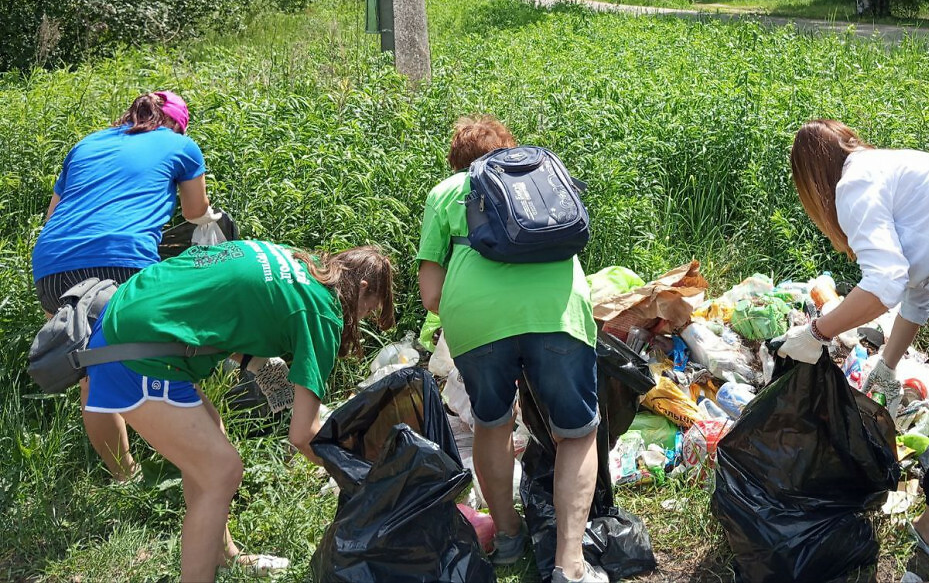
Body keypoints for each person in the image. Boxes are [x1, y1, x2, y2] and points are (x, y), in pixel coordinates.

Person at [84, 239, 395, 581]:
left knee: (210, 434)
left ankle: (223, 554)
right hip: (136, 352)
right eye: (368, 309)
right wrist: (363, 481)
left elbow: (222, 299)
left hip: (127, 314)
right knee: (222, 471)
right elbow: (303, 435)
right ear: (362, 287)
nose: (362, 318)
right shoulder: (323, 313)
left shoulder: (292, 259)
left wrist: (258, 364)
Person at [779, 119, 929, 582]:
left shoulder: (855, 181)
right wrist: (887, 363)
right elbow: (915, 292)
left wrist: (817, 332)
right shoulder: (895, 170)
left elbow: (883, 285)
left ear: (815, 178)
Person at [417, 116, 606, 583]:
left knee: (492, 422)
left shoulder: (446, 192)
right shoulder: (542, 182)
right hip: (558, 312)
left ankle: (506, 539)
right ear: (510, 152)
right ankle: (570, 564)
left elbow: (431, 297)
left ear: (457, 162)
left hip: (477, 321)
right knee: (577, 433)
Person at [32, 90, 214, 481]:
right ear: (176, 125)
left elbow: (54, 215)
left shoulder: (86, 143)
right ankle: (200, 463)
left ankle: (126, 477)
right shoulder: (181, 146)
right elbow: (195, 213)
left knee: (93, 375)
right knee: (164, 358)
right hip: (121, 262)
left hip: (50, 267)